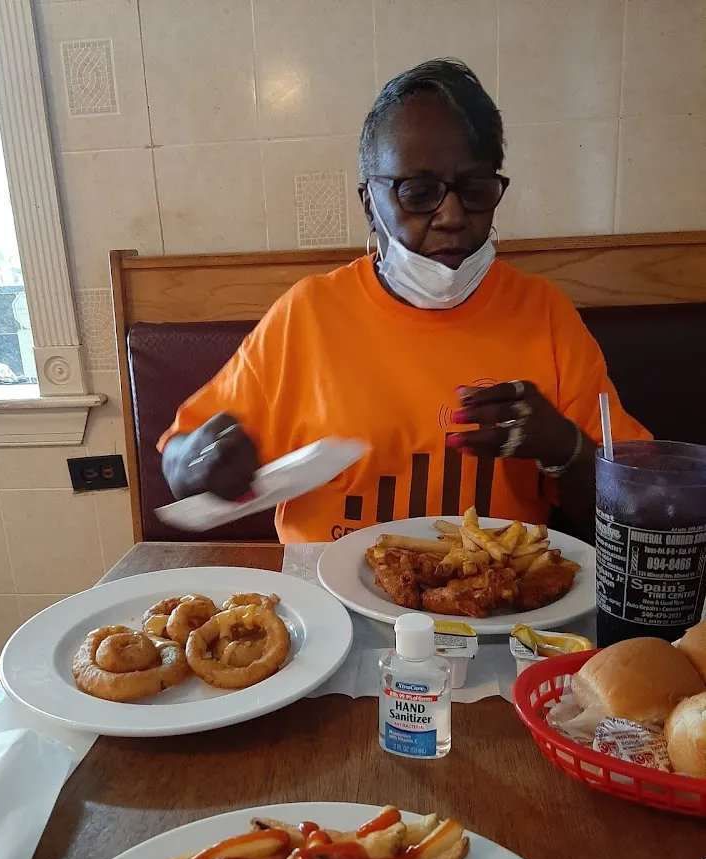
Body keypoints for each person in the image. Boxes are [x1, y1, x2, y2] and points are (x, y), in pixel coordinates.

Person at [159, 59, 648, 544]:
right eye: (418, 192)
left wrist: (563, 447)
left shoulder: (544, 314)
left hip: (497, 604)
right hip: (328, 610)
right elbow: (180, 461)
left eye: (475, 189)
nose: (452, 216)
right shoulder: (308, 315)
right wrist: (197, 461)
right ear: (371, 205)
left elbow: (631, 513)